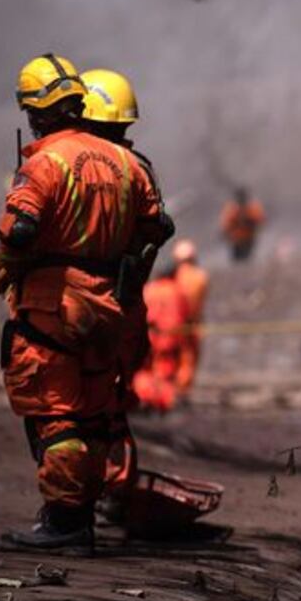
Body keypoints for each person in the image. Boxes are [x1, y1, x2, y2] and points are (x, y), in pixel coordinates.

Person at [0, 54, 166, 553]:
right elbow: (157, 227)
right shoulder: (129, 163)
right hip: (109, 303)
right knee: (93, 414)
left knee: (55, 414)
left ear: (37, 111)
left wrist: (10, 262)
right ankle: (81, 514)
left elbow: (19, 228)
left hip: (54, 305)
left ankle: (66, 522)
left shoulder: (45, 161)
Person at [78, 68, 175, 504]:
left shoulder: (67, 164)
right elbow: (158, 227)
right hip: (127, 306)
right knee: (113, 406)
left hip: (78, 304)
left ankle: (75, 501)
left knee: (66, 407)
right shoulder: (138, 169)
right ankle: (112, 492)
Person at [131, 269, 193, 413]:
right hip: (171, 336)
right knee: (166, 369)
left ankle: (145, 397)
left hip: (151, 334)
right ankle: (163, 401)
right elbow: (186, 313)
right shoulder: (177, 290)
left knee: (146, 368)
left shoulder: (149, 289)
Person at [171, 239, 209, 393]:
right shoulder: (200, 277)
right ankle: (181, 391)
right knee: (189, 359)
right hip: (193, 324)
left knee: (173, 358)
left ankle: (173, 390)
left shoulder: (174, 277)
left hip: (173, 325)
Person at [219, 186, 265, 262]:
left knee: (247, 259)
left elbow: (260, 221)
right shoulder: (232, 209)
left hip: (248, 239)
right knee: (237, 260)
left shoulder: (252, 208)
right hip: (236, 240)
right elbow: (226, 225)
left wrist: (248, 220)